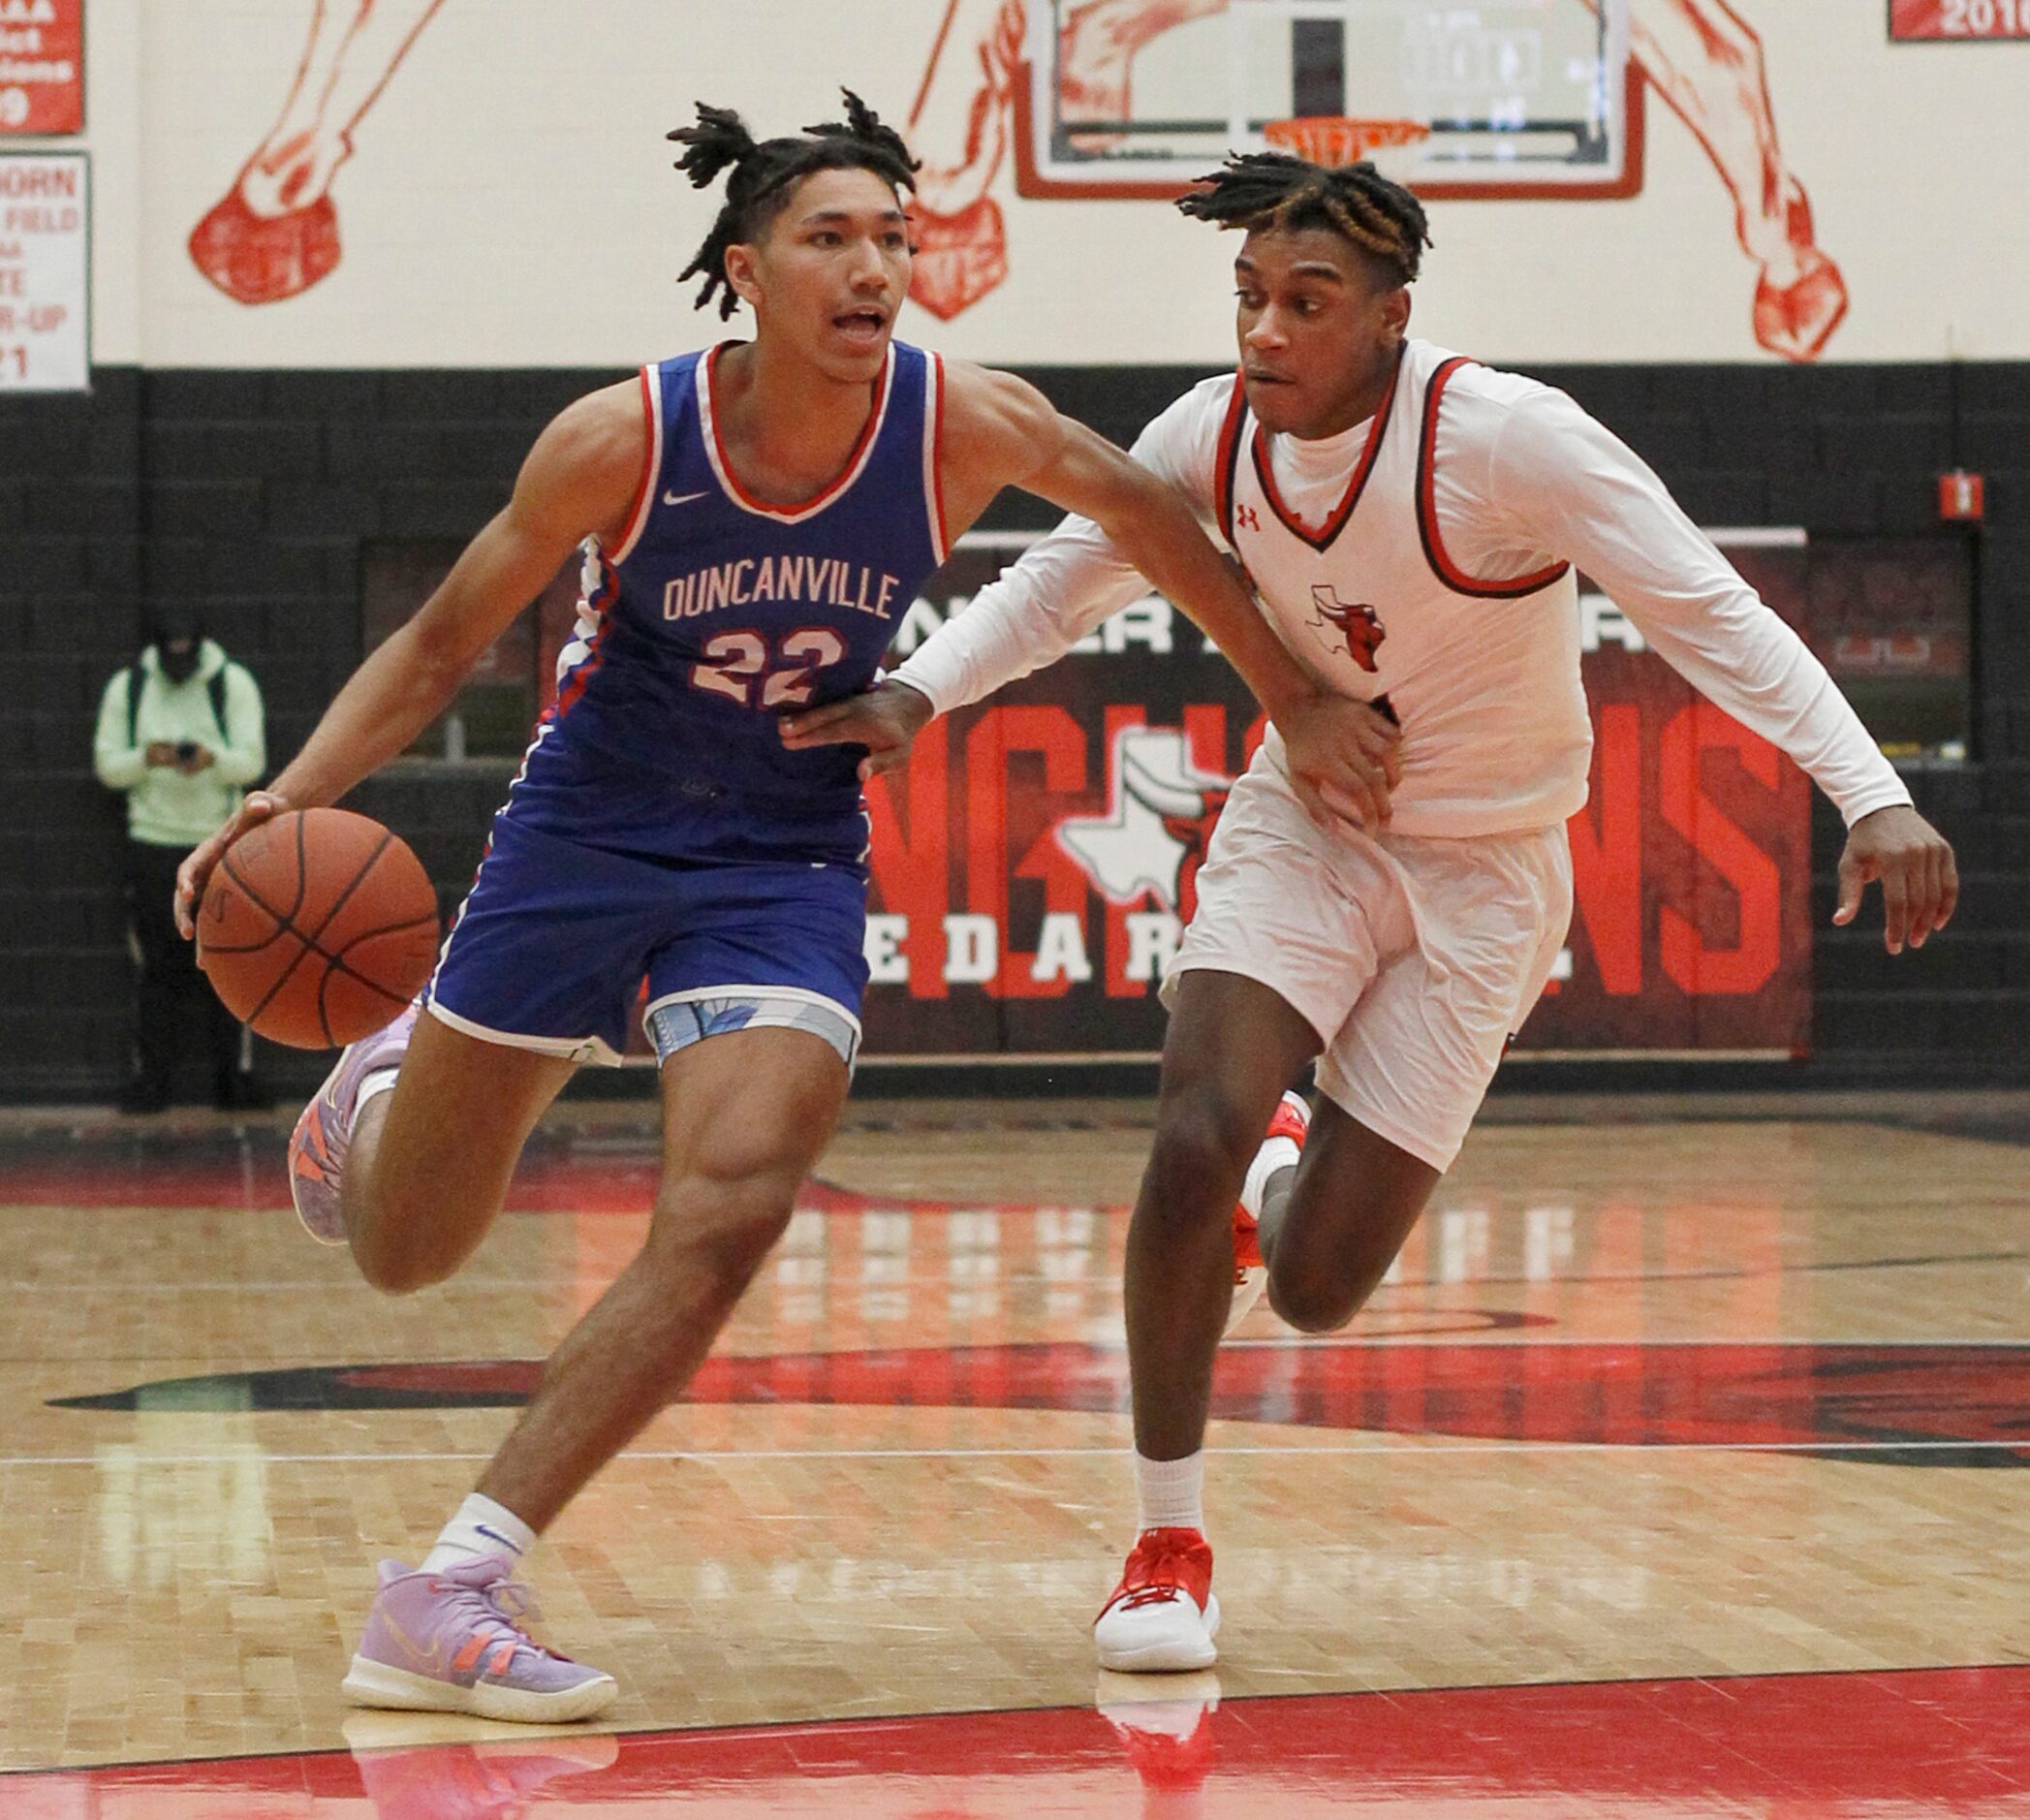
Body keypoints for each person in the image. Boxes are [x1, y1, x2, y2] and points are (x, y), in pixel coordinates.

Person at [173, 97, 1389, 1723]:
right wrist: (295, 796)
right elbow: (444, 642)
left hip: (782, 852)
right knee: (408, 1252)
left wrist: (1294, 695)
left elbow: (1155, 522)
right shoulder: (627, 436)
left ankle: (452, 1580)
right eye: (834, 236)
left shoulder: (962, 421)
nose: (876, 263)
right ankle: (380, 1091)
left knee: (740, 1193)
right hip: (587, 835)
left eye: (895, 235)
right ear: (745, 270)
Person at [780, 150, 1960, 1673]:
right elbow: (1064, 580)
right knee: (1192, 1123)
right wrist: (916, 692)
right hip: (1309, 828)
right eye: (1248, 297)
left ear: (1391, 317)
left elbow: (1706, 615)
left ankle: (1288, 1186)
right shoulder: (1207, 437)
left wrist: (1870, 791)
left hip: (1489, 874)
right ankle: (1163, 1538)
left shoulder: (1507, 442)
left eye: (1307, 303)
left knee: (1324, 1287)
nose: (1263, 332)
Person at [93, 607, 268, 1113]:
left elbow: (251, 760)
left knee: (226, 963)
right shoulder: (128, 687)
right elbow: (109, 766)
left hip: (217, 842)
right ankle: (151, 1083)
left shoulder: (231, 683)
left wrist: (211, 759)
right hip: (152, 842)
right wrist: (149, 757)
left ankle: (233, 1081)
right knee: (157, 970)